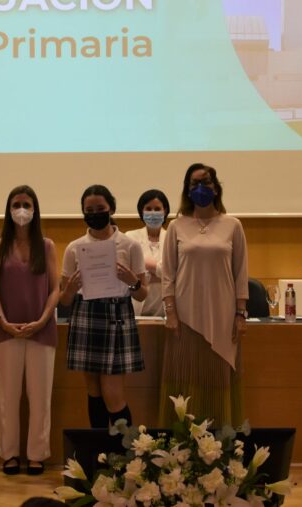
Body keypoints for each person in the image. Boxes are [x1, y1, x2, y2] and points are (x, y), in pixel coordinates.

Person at [160, 163, 249, 428]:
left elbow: (240, 272)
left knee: (217, 379)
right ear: (187, 191)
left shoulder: (233, 225)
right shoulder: (177, 226)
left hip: (222, 317)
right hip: (184, 319)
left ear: (216, 187)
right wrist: (171, 312)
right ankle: (184, 448)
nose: (201, 188)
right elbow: (168, 274)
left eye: (206, 182)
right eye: (194, 183)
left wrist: (240, 313)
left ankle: (221, 448)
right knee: (186, 381)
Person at [59, 184, 148, 428]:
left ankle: (124, 457)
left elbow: (142, 295)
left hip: (117, 315)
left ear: (111, 208)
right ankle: (99, 455)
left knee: (113, 395)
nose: (95, 213)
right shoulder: (74, 248)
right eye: (89, 210)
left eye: (100, 208)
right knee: (94, 391)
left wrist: (132, 282)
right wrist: (69, 288)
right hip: (86, 314)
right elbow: (64, 300)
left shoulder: (130, 246)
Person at [0, 185, 60, 476]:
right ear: (8, 209)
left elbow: (55, 289)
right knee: (8, 395)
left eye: (26, 204)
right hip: (6, 330)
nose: (21, 210)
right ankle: (10, 454)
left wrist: (42, 320)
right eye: (16, 204)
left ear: (35, 209)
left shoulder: (48, 246)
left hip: (41, 329)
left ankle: (37, 454)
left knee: (41, 396)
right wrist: (2, 319)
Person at [125, 189, 170, 316]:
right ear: (141, 211)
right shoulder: (130, 237)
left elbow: (174, 274)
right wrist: (160, 273)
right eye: (148, 209)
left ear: (165, 211)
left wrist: (146, 267)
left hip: (165, 309)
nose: (153, 212)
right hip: (136, 307)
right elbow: (129, 274)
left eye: (157, 209)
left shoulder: (173, 238)